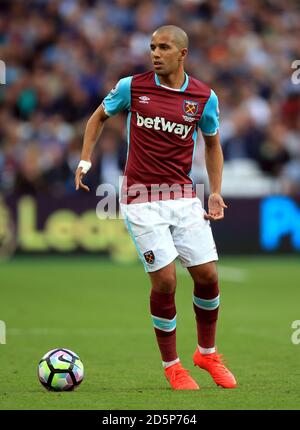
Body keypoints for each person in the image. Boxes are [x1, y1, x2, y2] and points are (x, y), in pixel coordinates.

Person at [75, 25, 237, 390]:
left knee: (208, 276)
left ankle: (206, 354)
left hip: (182, 195)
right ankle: (173, 366)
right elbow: (98, 117)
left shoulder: (203, 97)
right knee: (165, 280)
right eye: (152, 47)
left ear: (182, 53)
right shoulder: (132, 87)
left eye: (163, 47)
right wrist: (85, 161)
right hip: (140, 197)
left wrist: (215, 191)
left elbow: (212, 143)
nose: (155, 53)